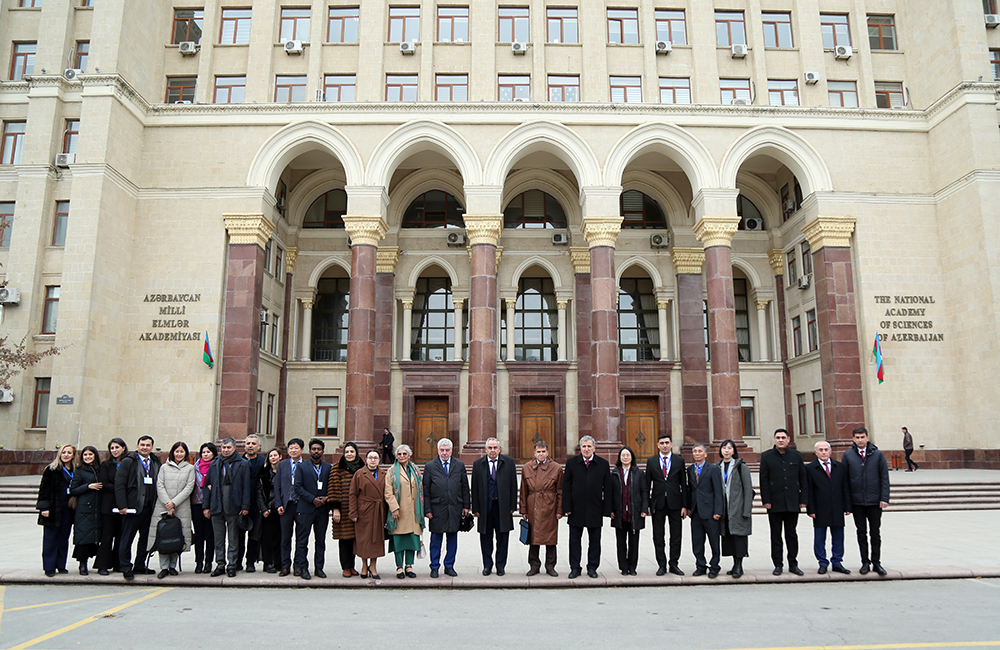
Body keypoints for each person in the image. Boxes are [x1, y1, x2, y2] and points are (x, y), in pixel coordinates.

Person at [759, 428, 808, 576]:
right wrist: (766, 500)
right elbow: (763, 480)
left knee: (791, 534)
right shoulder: (767, 456)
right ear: (774, 440)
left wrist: (803, 499)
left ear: (788, 439)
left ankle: (793, 564)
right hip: (774, 502)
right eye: (778, 437)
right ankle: (778, 565)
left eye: (783, 437)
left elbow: (803, 479)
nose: (780, 440)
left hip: (793, 502)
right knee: (776, 535)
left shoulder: (796, 456)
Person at [842, 427, 890, 576]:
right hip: (857, 503)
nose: (860, 440)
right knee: (861, 533)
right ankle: (865, 562)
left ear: (867, 438)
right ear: (853, 439)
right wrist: (847, 503)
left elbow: (884, 478)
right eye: (857, 437)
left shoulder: (877, 455)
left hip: (875, 501)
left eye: (862, 437)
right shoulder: (848, 455)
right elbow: (844, 481)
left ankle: (876, 562)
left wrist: (884, 498)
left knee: (875, 533)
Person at [563, 435, 612, 579]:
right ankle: (575, 568)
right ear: (580, 448)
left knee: (595, 541)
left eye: (589, 446)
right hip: (576, 509)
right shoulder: (571, 463)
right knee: (574, 541)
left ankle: (592, 567)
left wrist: (607, 510)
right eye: (584, 446)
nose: (586, 449)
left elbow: (607, 489)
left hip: (595, 508)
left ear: (594, 448)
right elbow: (566, 487)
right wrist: (567, 507)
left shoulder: (603, 464)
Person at [202, 437, 251, 578]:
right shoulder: (215, 464)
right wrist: (206, 507)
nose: (226, 450)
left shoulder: (242, 464)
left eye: (228, 447)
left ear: (234, 448)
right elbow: (207, 486)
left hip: (234, 507)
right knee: (218, 539)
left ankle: (232, 565)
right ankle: (220, 564)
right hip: (216, 506)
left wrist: (245, 505)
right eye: (223, 447)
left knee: (233, 539)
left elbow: (246, 487)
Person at [422, 438, 469, 578]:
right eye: (442, 450)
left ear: (451, 451)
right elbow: (426, 490)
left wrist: (466, 505)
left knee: (452, 539)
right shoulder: (430, 466)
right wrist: (427, 509)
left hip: (454, 507)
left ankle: (449, 566)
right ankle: (434, 566)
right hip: (437, 509)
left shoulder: (459, 465)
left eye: (447, 450)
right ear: (438, 451)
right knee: (436, 540)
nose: (444, 453)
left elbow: (465, 487)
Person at [115, 435, 161, 579]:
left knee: (145, 539)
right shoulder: (128, 462)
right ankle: (126, 567)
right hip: (132, 508)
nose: (145, 447)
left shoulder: (155, 462)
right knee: (127, 538)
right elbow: (119, 484)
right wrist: (122, 505)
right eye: (142, 444)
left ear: (152, 447)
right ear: (137, 446)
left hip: (149, 508)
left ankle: (140, 565)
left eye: (148, 445)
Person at [148, 441, 196, 579]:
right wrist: (168, 503)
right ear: (172, 452)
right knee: (163, 535)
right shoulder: (164, 467)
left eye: (182, 451)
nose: (179, 454)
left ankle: (172, 566)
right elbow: (160, 485)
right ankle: (163, 567)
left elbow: (189, 488)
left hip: (181, 507)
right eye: (177, 451)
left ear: (185, 453)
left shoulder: (190, 468)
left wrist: (174, 503)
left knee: (176, 536)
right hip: (162, 506)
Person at [471, 437, 517, 576]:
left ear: (499, 449)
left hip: (502, 507)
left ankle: (500, 566)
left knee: (503, 538)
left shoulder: (508, 463)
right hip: (485, 509)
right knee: (485, 538)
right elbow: (475, 488)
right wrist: (476, 508)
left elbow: (513, 486)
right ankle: (487, 565)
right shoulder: (478, 464)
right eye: (490, 448)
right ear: (485, 449)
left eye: (495, 448)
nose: (492, 450)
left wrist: (512, 506)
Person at [806, 440, 852, 575]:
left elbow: (845, 487)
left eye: (826, 450)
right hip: (820, 508)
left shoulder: (840, 467)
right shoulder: (810, 468)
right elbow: (808, 490)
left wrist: (847, 505)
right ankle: (822, 562)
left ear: (830, 451)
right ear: (816, 452)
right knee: (820, 538)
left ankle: (837, 562)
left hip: (837, 506)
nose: (824, 452)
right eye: (821, 450)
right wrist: (811, 509)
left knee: (838, 536)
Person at [645, 433, 687, 576]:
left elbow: (684, 485)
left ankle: (674, 564)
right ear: (658, 445)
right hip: (658, 504)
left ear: (671, 445)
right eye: (662, 443)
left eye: (667, 443)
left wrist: (684, 506)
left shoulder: (679, 461)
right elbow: (646, 485)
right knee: (658, 536)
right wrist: (648, 505)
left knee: (676, 536)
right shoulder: (651, 461)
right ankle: (661, 565)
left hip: (676, 504)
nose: (664, 445)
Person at [519, 440, 563, 576]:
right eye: (538, 451)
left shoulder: (556, 468)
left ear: (548, 452)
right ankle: (534, 565)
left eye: (543, 451)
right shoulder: (526, 467)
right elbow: (523, 490)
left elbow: (561, 491)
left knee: (550, 538)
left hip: (550, 506)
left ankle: (550, 565)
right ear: (534, 453)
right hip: (533, 506)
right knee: (533, 537)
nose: (541, 454)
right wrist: (523, 510)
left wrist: (559, 510)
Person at [293, 438, 331, 580]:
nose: (316, 451)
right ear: (310, 451)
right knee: (302, 540)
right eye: (314, 449)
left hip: (322, 510)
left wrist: (326, 498)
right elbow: (297, 487)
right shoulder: (301, 467)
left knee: (320, 540)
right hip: (306, 508)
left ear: (323, 451)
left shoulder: (328, 467)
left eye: (319, 449)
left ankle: (319, 568)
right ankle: (303, 568)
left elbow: (331, 485)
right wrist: (312, 499)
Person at [384, 444, 424, 579]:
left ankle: (409, 566)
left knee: (412, 539)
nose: (401, 456)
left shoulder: (416, 470)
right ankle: (399, 567)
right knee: (399, 540)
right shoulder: (391, 471)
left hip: (413, 512)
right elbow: (388, 491)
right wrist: (394, 508)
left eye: (404, 454)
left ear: (409, 455)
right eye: (399, 454)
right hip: (399, 512)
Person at [37, 444, 77, 577]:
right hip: (53, 508)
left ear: (73, 455)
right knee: (51, 538)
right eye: (63, 452)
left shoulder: (75, 470)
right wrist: (44, 507)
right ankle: (49, 566)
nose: (66, 455)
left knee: (63, 537)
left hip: (68, 509)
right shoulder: (52, 469)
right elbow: (44, 489)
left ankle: (61, 564)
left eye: (69, 453)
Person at [686, 443, 724, 578]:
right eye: (695, 451)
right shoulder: (690, 469)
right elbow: (690, 490)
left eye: (700, 451)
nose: (697, 453)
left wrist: (718, 510)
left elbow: (718, 491)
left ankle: (715, 566)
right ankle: (700, 565)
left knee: (714, 541)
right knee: (697, 541)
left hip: (710, 511)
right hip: (696, 512)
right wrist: (688, 507)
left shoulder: (713, 469)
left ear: (705, 454)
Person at [610, 446, 649, 576]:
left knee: (634, 542)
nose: (625, 457)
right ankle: (623, 567)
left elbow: (644, 492)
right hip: (619, 513)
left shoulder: (638, 473)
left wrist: (644, 509)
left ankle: (632, 567)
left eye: (628, 455)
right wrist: (611, 510)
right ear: (620, 458)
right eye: (623, 455)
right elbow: (610, 494)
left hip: (635, 513)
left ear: (632, 457)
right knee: (621, 543)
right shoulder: (615, 473)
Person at [717, 439, 753, 579]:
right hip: (724, 508)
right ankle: (734, 564)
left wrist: (746, 510)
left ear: (734, 451)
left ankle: (739, 565)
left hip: (738, 507)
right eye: (724, 448)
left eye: (729, 448)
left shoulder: (741, 466)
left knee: (739, 537)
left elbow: (748, 490)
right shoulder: (717, 466)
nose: (726, 450)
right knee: (729, 537)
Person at [350, 449, 387, 579]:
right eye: (370, 457)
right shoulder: (359, 474)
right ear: (366, 459)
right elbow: (353, 494)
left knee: (376, 540)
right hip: (364, 511)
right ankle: (364, 565)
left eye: (375, 458)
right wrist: (353, 512)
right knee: (363, 540)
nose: (373, 460)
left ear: (379, 460)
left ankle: (373, 565)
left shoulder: (383, 474)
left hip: (378, 512)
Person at [328, 441, 363, 577]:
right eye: (347, 452)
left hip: (358, 510)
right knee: (345, 539)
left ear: (356, 453)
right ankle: (345, 567)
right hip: (343, 510)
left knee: (355, 539)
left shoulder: (361, 466)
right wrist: (335, 509)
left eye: (352, 452)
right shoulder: (337, 468)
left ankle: (352, 566)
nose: (349, 454)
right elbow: (333, 488)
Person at [95, 438, 127, 575]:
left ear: (123, 448)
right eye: (112, 448)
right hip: (109, 505)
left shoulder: (128, 463)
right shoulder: (106, 465)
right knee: (107, 536)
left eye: (117, 447)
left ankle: (118, 564)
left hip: (124, 506)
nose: (114, 450)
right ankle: (103, 565)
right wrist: (120, 489)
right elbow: (104, 483)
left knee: (120, 536)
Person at [69, 446, 103, 575]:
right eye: (85, 455)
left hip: (98, 509)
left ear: (95, 456)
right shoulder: (79, 471)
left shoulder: (99, 470)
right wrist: (88, 486)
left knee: (96, 537)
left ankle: (99, 564)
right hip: (84, 510)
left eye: (90, 454)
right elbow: (73, 490)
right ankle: (82, 564)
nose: (87, 457)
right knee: (83, 538)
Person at [274, 438, 304, 576]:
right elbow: (277, 486)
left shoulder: (307, 465)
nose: (293, 450)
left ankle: (298, 565)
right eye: (291, 448)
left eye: (296, 448)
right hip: (286, 506)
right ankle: (285, 565)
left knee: (301, 538)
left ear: (302, 450)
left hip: (302, 506)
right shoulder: (282, 465)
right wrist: (279, 504)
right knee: (285, 538)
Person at [237, 434, 266, 572]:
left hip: (257, 505)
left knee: (254, 536)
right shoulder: (238, 461)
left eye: (253, 444)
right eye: (248, 443)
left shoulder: (263, 461)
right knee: (238, 536)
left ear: (258, 446)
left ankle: (250, 562)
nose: (250, 446)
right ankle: (237, 562)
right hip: (240, 505)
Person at [190, 442, 216, 574]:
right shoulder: (194, 468)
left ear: (213, 454)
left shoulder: (216, 467)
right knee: (199, 535)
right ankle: (198, 562)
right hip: (196, 504)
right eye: (203, 452)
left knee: (210, 535)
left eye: (208, 452)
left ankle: (208, 563)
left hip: (212, 506)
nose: (206, 455)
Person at [256, 447, 282, 573]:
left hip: (281, 508)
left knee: (280, 537)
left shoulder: (284, 472)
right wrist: (264, 508)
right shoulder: (263, 473)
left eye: (275, 455)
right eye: (270, 455)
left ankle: (278, 562)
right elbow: (259, 492)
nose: (273, 457)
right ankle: (268, 563)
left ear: (280, 457)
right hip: (268, 509)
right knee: (267, 538)